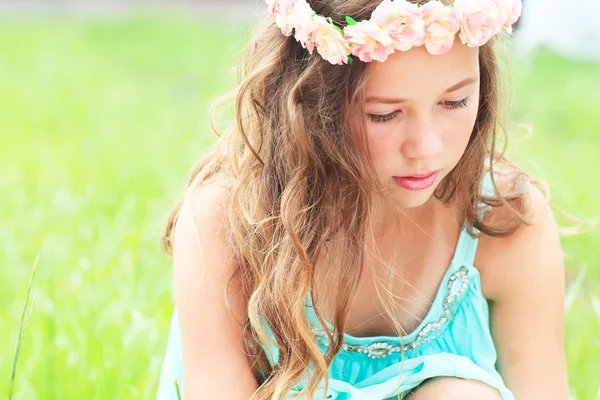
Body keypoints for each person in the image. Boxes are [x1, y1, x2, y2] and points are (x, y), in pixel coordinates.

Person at [156, 0, 569, 399]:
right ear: (310, 99)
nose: (426, 148)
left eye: (454, 102)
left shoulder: (505, 222)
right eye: (385, 114)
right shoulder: (229, 223)